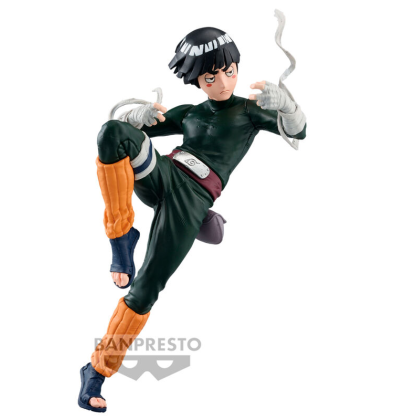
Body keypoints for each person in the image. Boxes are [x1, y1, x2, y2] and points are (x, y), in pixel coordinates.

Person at [78, 26, 307, 413]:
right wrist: (135, 118)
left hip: (193, 198)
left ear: (237, 67)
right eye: (211, 77)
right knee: (111, 133)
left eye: (229, 71)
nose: (223, 82)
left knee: (146, 288)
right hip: (165, 173)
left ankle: (96, 370)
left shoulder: (250, 112)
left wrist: (287, 106)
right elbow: (128, 133)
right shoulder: (190, 113)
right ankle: (121, 238)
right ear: (197, 80)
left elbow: (300, 132)